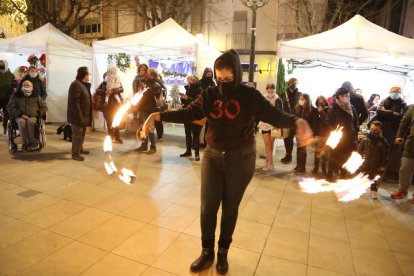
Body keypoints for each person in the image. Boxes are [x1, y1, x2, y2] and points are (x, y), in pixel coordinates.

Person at [140, 50, 313, 274]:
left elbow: (274, 115)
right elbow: (188, 112)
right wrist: (156, 116)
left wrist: (298, 121)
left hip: (241, 159)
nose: (223, 84)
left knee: (230, 208)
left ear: (237, 75)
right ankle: (206, 252)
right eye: (219, 80)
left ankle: (222, 253)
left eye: (228, 80)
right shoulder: (210, 94)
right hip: (212, 156)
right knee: (207, 208)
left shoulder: (249, 96)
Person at [327, 88, 359, 180]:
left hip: (350, 136)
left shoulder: (351, 107)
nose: (346, 97)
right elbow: (329, 121)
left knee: (346, 156)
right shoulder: (334, 107)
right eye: (344, 95)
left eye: (347, 95)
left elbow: (356, 120)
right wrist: (335, 131)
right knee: (334, 155)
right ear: (339, 96)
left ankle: (343, 173)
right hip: (338, 136)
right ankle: (330, 174)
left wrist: (355, 129)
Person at [7, 80, 47, 151]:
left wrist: (39, 113)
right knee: (22, 122)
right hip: (19, 116)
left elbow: (44, 107)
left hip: (33, 116)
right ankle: (24, 144)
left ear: (32, 87)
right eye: (24, 85)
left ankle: (32, 143)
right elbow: (10, 107)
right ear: (21, 86)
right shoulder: (15, 95)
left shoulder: (36, 96)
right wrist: (20, 114)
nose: (26, 86)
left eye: (28, 85)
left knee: (30, 122)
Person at [356, 121, 388, 199]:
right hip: (365, 163)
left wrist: (383, 165)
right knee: (362, 176)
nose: (374, 131)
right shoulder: (365, 140)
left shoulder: (383, 142)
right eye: (372, 129)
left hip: (376, 164)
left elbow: (385, 155)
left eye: (376, 130)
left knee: (374, 179)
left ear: (381, 130)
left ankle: (374, 190)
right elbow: (359, 151)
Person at [135, 68, 163, 154]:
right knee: (142, 128)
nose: (145, 73)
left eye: (147, 72)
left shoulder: (156, 85)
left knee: (150, 128)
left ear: (151, 75)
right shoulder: (146, 83)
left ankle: (153, 147)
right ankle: (144, 145)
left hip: (150, 110)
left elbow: (158, 98)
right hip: (142, 108)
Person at [67, 67, 92, 161]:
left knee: (82, 133)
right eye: (88, 74)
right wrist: (80, 116)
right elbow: (75, 103)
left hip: (84, 115)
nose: (89, 76)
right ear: (84, 75)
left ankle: (79, 149)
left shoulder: (82, 84)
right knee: (77, 135)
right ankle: (75, 154)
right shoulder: (76, 85)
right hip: (77, 116)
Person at [391, 104, 414, 203]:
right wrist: (399, 136)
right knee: (405, 168)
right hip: (412, 143)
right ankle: (402, 190)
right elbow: (404, 122)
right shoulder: (413, 107)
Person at [258, 83, 283, 171]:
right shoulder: (262, 98)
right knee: (267, 144)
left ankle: (270, 163)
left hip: (274, 125)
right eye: (268, 91)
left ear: (274, 90)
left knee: (270, 144)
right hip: (264, 124)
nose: (270, 93)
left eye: (272, 91)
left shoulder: (278, 99)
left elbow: (280, 113)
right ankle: (268, 163)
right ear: (266, 90)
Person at [95, 71, 124, 143]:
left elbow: (122, 89)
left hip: (116, 106)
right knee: (109, 122)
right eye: (107, 76)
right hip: (106, 106)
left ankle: (117, 137)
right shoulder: (103, 83)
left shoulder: (117, 82)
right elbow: (97, 91)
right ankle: (111, 137)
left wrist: (113, 91)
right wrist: (105, 91)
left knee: (117, 121)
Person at [179, 75, 203, 161]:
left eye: (189, 80)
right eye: (188, 80)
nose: (188, 82)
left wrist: (187, 98)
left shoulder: (199, 89)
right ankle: (188, 151)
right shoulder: (188, 89)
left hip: (195, 114)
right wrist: (182, 98)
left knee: (195, 134)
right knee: (187, 133)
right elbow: (186, 101)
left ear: (194, 80)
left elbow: (198, 101)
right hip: (187, 112)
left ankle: (197, 153)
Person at [280, 77, 301, 164]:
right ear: (288, 84)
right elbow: (279, 107)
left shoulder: (300, 95)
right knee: (287, 138)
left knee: (299, 140)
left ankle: (300, 160)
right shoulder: (283, 94)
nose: (292, 85)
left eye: (294, 83)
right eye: (291, 83)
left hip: (296, 120)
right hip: (286, 120)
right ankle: (288, 155)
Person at [293, 93, 315, 174]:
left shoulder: (312, 109)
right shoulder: (297, 108)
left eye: (302, 99)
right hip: (298, 132)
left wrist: (311, 132)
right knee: (299, 149)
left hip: (306, 133)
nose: (300, 100)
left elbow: (313, 122)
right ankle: (298, 165)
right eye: (300, 98)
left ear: (307, 100)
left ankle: (302, 167)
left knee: (303, 150)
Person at [311, 96, 330, 176]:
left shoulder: (328, 110)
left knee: (325, 153)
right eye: (319, 102)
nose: (320, 103)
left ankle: (324, 169)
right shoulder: (315, 111)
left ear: (325, 102)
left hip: (325, 135)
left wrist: (322, 112)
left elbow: (328, 121)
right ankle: (316, 168)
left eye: (322, 102)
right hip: (317, 134)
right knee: (317, 152)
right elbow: (313, 122)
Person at [0, 59, 16, 134]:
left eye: (2, 64)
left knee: (7, 115)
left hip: (7, 98)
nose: (1, 65)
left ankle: (5, 128)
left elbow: (13, 86)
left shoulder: (11, 75)